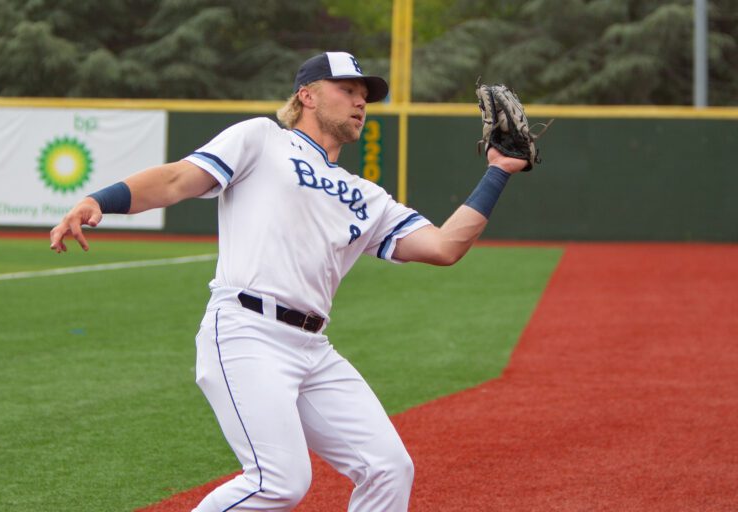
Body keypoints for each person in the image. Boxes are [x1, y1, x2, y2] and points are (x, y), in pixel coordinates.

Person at [50, 51, 528, 512]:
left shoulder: (368, 198)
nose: (361, 101)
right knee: (278, 481)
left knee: (388, 467)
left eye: (365, 94)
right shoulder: (263, 139)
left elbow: (445, 247)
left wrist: (497, 172)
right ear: (308, 95)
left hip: (313, 349)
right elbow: (177, 179)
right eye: (348, 89)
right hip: (246, 331)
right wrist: (101, 200)